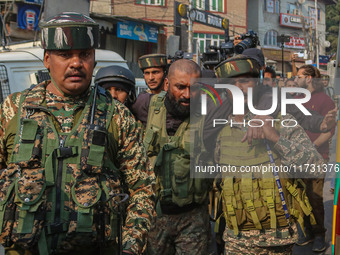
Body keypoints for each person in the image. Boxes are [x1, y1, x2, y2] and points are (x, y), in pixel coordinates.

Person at [0, 12, 155, 255]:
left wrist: (130, 247)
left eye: (85, 55)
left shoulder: (116, 115)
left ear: (94, 59)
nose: (76, 63)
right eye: (65, 55)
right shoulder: (14, 111)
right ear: (47, 59)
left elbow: (143, 189)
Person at [213, 55, 325, 254]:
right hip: (235, 240)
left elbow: (315, 166)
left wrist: (275, 138)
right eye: (232, 83)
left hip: (276, 241)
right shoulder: (220, 130)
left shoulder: (281, 121)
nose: (239, 87)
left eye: (245, 81)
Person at [133, 59, 211, 254]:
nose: (187, 95)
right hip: (154, 214)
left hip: (193, 216)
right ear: (167, 84)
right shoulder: (146, 105)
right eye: (180, 87)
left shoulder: (209, 114)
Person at [294, 64, 335, 252]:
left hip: (317, 156)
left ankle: (319, 234)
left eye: (298, 76)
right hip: (295, 157)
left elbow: (329, 131)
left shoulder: (325, 100)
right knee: (299, 195)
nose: (295, 79)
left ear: (309, 78)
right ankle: (306, 231)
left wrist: (311, 148)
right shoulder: (295, 99)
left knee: (315, 197)